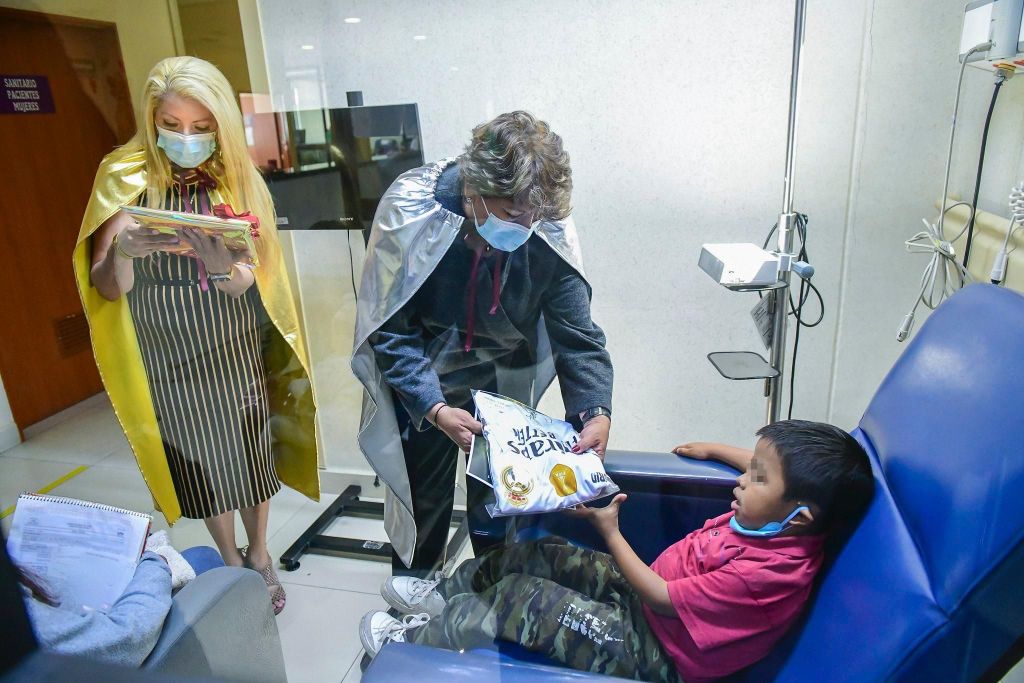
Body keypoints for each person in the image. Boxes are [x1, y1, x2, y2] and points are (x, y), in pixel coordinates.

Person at [73, 56, 320, 615]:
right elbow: (109, 290)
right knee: (201, 462)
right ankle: (229, 560)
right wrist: (122, 252)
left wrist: (218, 268)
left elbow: (249, 283)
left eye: (202, 127)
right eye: (173, 125)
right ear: (151, 120)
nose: (186, 139)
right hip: (167, 350)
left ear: (222, 126)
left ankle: (261, 553)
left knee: (250, 450)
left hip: (232, 342)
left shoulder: (239, 178)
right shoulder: (123, 177)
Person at [359, 420, 875, 682]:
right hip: (647, 605)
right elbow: (769, 466)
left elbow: (662, 597)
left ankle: (416, 640)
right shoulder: (785, 518)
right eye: (750, 466)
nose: (742, 479)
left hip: (655, 647)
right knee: (545, 553)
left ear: (799, 514)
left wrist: (611, 531)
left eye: (757, 477)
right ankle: (442, 594)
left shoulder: (771, 576)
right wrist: (716, 450)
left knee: (524, 600)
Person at [352, 111, 614, 578]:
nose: (528, 224)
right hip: (422, 374)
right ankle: (412, 601)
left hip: (501, 374)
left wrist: (595, 411)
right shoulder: (415, 210)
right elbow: (390, 328)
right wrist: (433, 407)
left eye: (536, 214)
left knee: (500, 501)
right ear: (474, 194)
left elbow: (577, 334)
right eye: (514, 214)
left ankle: (492, 601)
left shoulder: (543, 224)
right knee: (423, 499)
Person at [17, 544, 222, 668]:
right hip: (124, 652)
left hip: (87, 635)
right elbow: (126, 636)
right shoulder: (18, 621)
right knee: (205, 559)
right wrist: (154, 562)